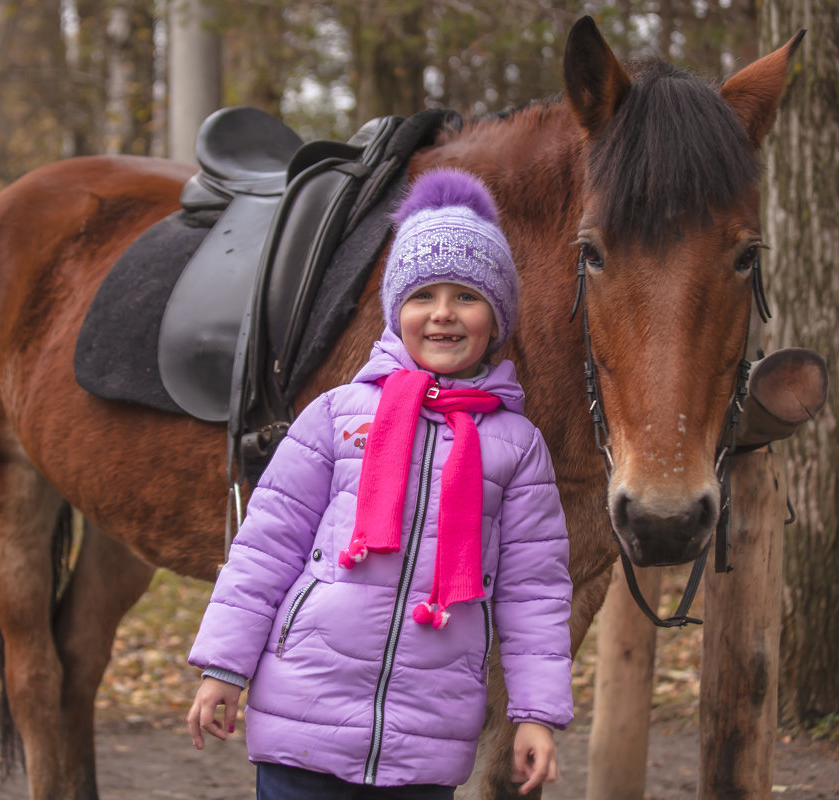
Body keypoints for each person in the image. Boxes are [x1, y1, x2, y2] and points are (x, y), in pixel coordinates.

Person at [187, 168, 573, 799]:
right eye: (423, 296)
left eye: (466, 297)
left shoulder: (517, 446)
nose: (443, 314)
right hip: (302, 722)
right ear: (398, 311)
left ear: (496, 316)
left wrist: (535, 714)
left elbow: (534, 595)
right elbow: (266, 548)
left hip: (426, 740)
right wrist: (224, 667)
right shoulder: (338, 416)